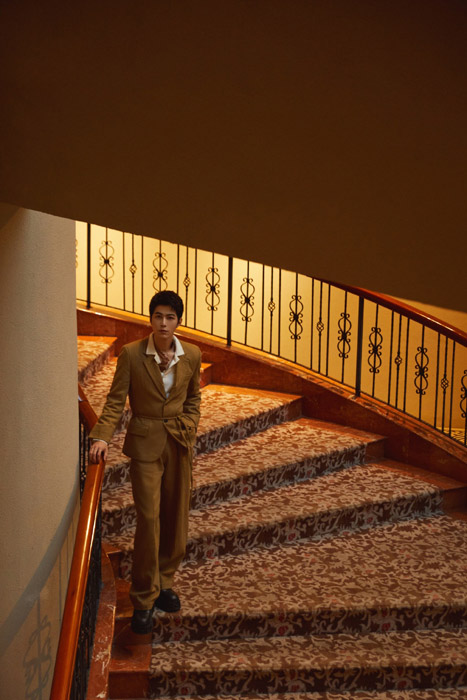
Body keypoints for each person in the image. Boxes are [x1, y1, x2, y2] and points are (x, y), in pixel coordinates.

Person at [89, 290, 201, 634]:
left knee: (175, 517)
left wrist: (190, 425)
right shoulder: (132, 354)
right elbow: (115, 400)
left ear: (178, 321)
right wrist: (102, 435)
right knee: (149, 520)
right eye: (158, 316)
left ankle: (165, 581)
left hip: (178, 442)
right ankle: (143, 598)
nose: (163, 323)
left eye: (170, 317)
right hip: (145, 443)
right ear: (150, 319)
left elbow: (193, 398)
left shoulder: (192, 354)